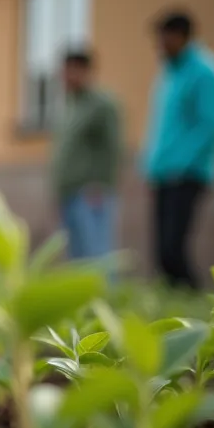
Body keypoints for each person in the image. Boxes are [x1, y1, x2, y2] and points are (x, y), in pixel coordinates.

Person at [142, 10, 214, 290]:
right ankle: (173, 302)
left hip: (187, 173)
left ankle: (194, 298)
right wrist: (152, 163)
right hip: (163, 172)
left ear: (181, 36)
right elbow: (163, 127)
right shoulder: (168, 75)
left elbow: (209, 126)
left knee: (173, 247)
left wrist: (183, 164)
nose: (160, 44)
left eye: (164, 37)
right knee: (162, 252)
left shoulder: (206, 72)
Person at [51, 49, 122, 267]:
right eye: (64, 71)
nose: (66, 77)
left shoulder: (103, 104)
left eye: (72, 70)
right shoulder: (69, 106)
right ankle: (83, 299)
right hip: (68, 191)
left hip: (91, 192)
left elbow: (113, 148)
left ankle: (104, 297)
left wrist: (101, 184)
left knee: (96, 251)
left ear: (86, 71)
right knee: (77, 256)